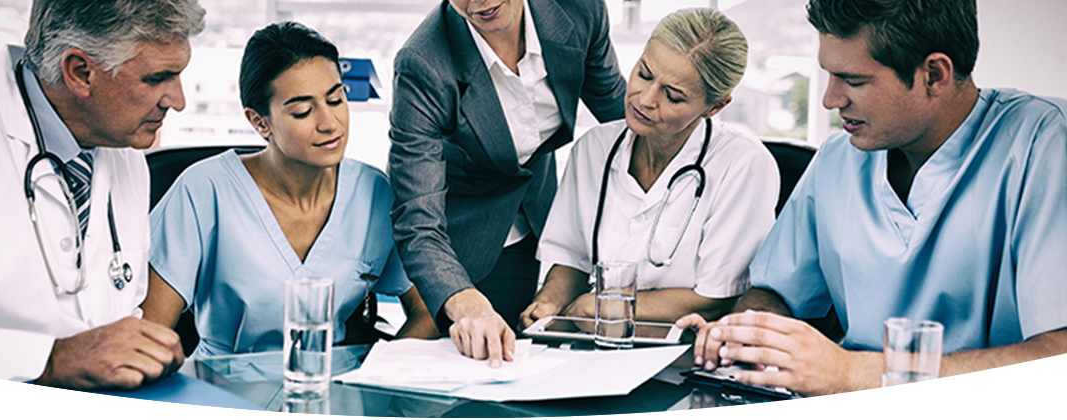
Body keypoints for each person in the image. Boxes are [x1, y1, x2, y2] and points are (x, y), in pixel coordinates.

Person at [676, 0, 1067, 396]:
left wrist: (858, 374)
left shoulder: (1045, 144)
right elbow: (776, 291)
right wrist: (748, 330)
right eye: (828, 75)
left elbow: (1059, 356)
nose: (831, 99)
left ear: (934, 74)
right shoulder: (837, 160)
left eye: (854, 81)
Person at [0, 0, 205, 390]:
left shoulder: (124, 155)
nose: (177, 101)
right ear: (80, 72)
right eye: (157, 78)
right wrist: (47, 358)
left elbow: (116, 311)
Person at [139, 22, 439, 356]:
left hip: (334, 391)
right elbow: (147, 333)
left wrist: (381, 374)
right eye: (303, 111)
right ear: (259, 122)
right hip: (224, 390)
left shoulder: (373, 193)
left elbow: (427, 310)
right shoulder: (203, 192)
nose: (329, 123)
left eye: (336, 99)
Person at [388, 0, 627, 367]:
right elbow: (417, 220)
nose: (479, 1)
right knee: (481, 368)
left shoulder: (578, 11)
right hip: (463, 236)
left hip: (539, 206)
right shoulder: (424, 63)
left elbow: (626, 123)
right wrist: (466, 301)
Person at [520, 9, 778, 329]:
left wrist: (604, 306)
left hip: (686, 358)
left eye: (673, 96)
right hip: (597, 345)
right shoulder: (594, 148)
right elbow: (571, 260)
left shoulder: (744, 164)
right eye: (644, 74)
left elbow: (717, 299)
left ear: (715, 106)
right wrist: (548, 303)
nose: (645, 99)